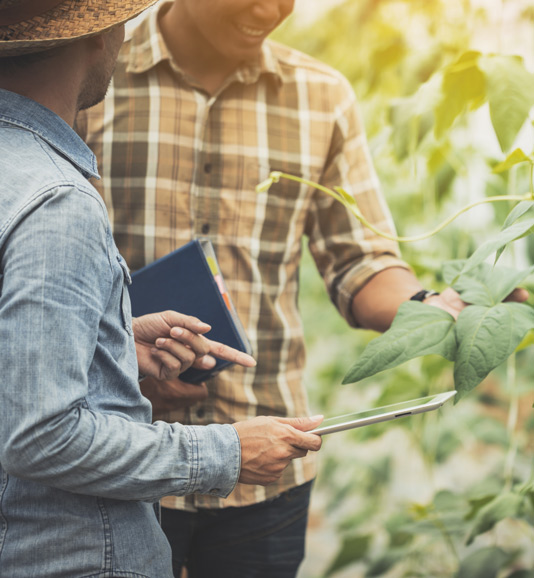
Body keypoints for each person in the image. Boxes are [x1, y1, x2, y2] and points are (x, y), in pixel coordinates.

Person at [77, 1, 528, 576]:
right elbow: (43, 268)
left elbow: (359, 263)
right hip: (123, 457)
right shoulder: (92, 71)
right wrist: (117, 364)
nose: (269, 9)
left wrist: (431, 308)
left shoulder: (321, 96)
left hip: (267, 465)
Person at [0, 2, 324, 577]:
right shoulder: (58, 201)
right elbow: (40, 436)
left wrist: (112, 350)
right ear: (99, 34)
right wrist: (225, 451)